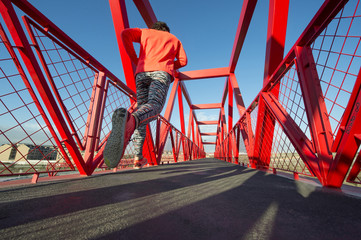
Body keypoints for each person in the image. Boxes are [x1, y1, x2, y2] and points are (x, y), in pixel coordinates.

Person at [103, 21, 187, 169]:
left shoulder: (145, 32)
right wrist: (168, 65)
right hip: (161, 74)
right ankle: (130, 121)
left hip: (141, 74)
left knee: (143, 112)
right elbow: (183, 61)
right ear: (166, 30)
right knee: (154, 106)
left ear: (154, 28)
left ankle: (138, 157)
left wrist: (136, 59)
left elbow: (125, 34)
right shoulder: (174, 39)